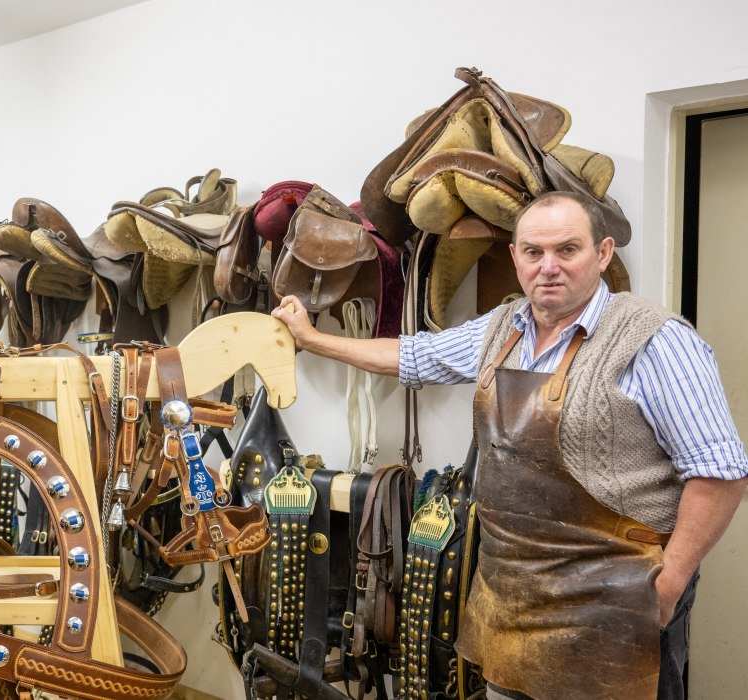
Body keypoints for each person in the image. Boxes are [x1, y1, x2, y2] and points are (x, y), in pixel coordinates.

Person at [272, 190, 747, 700]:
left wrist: (670, 580)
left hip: (617, 591)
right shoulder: (503, 328)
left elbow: (720, 474)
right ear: (515, 256)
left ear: (603, 253)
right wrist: (311, 339)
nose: (549, 267)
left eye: (568, 250)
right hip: (510, 588)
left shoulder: (654, 339)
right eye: (533, 252)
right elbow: (414, 355)